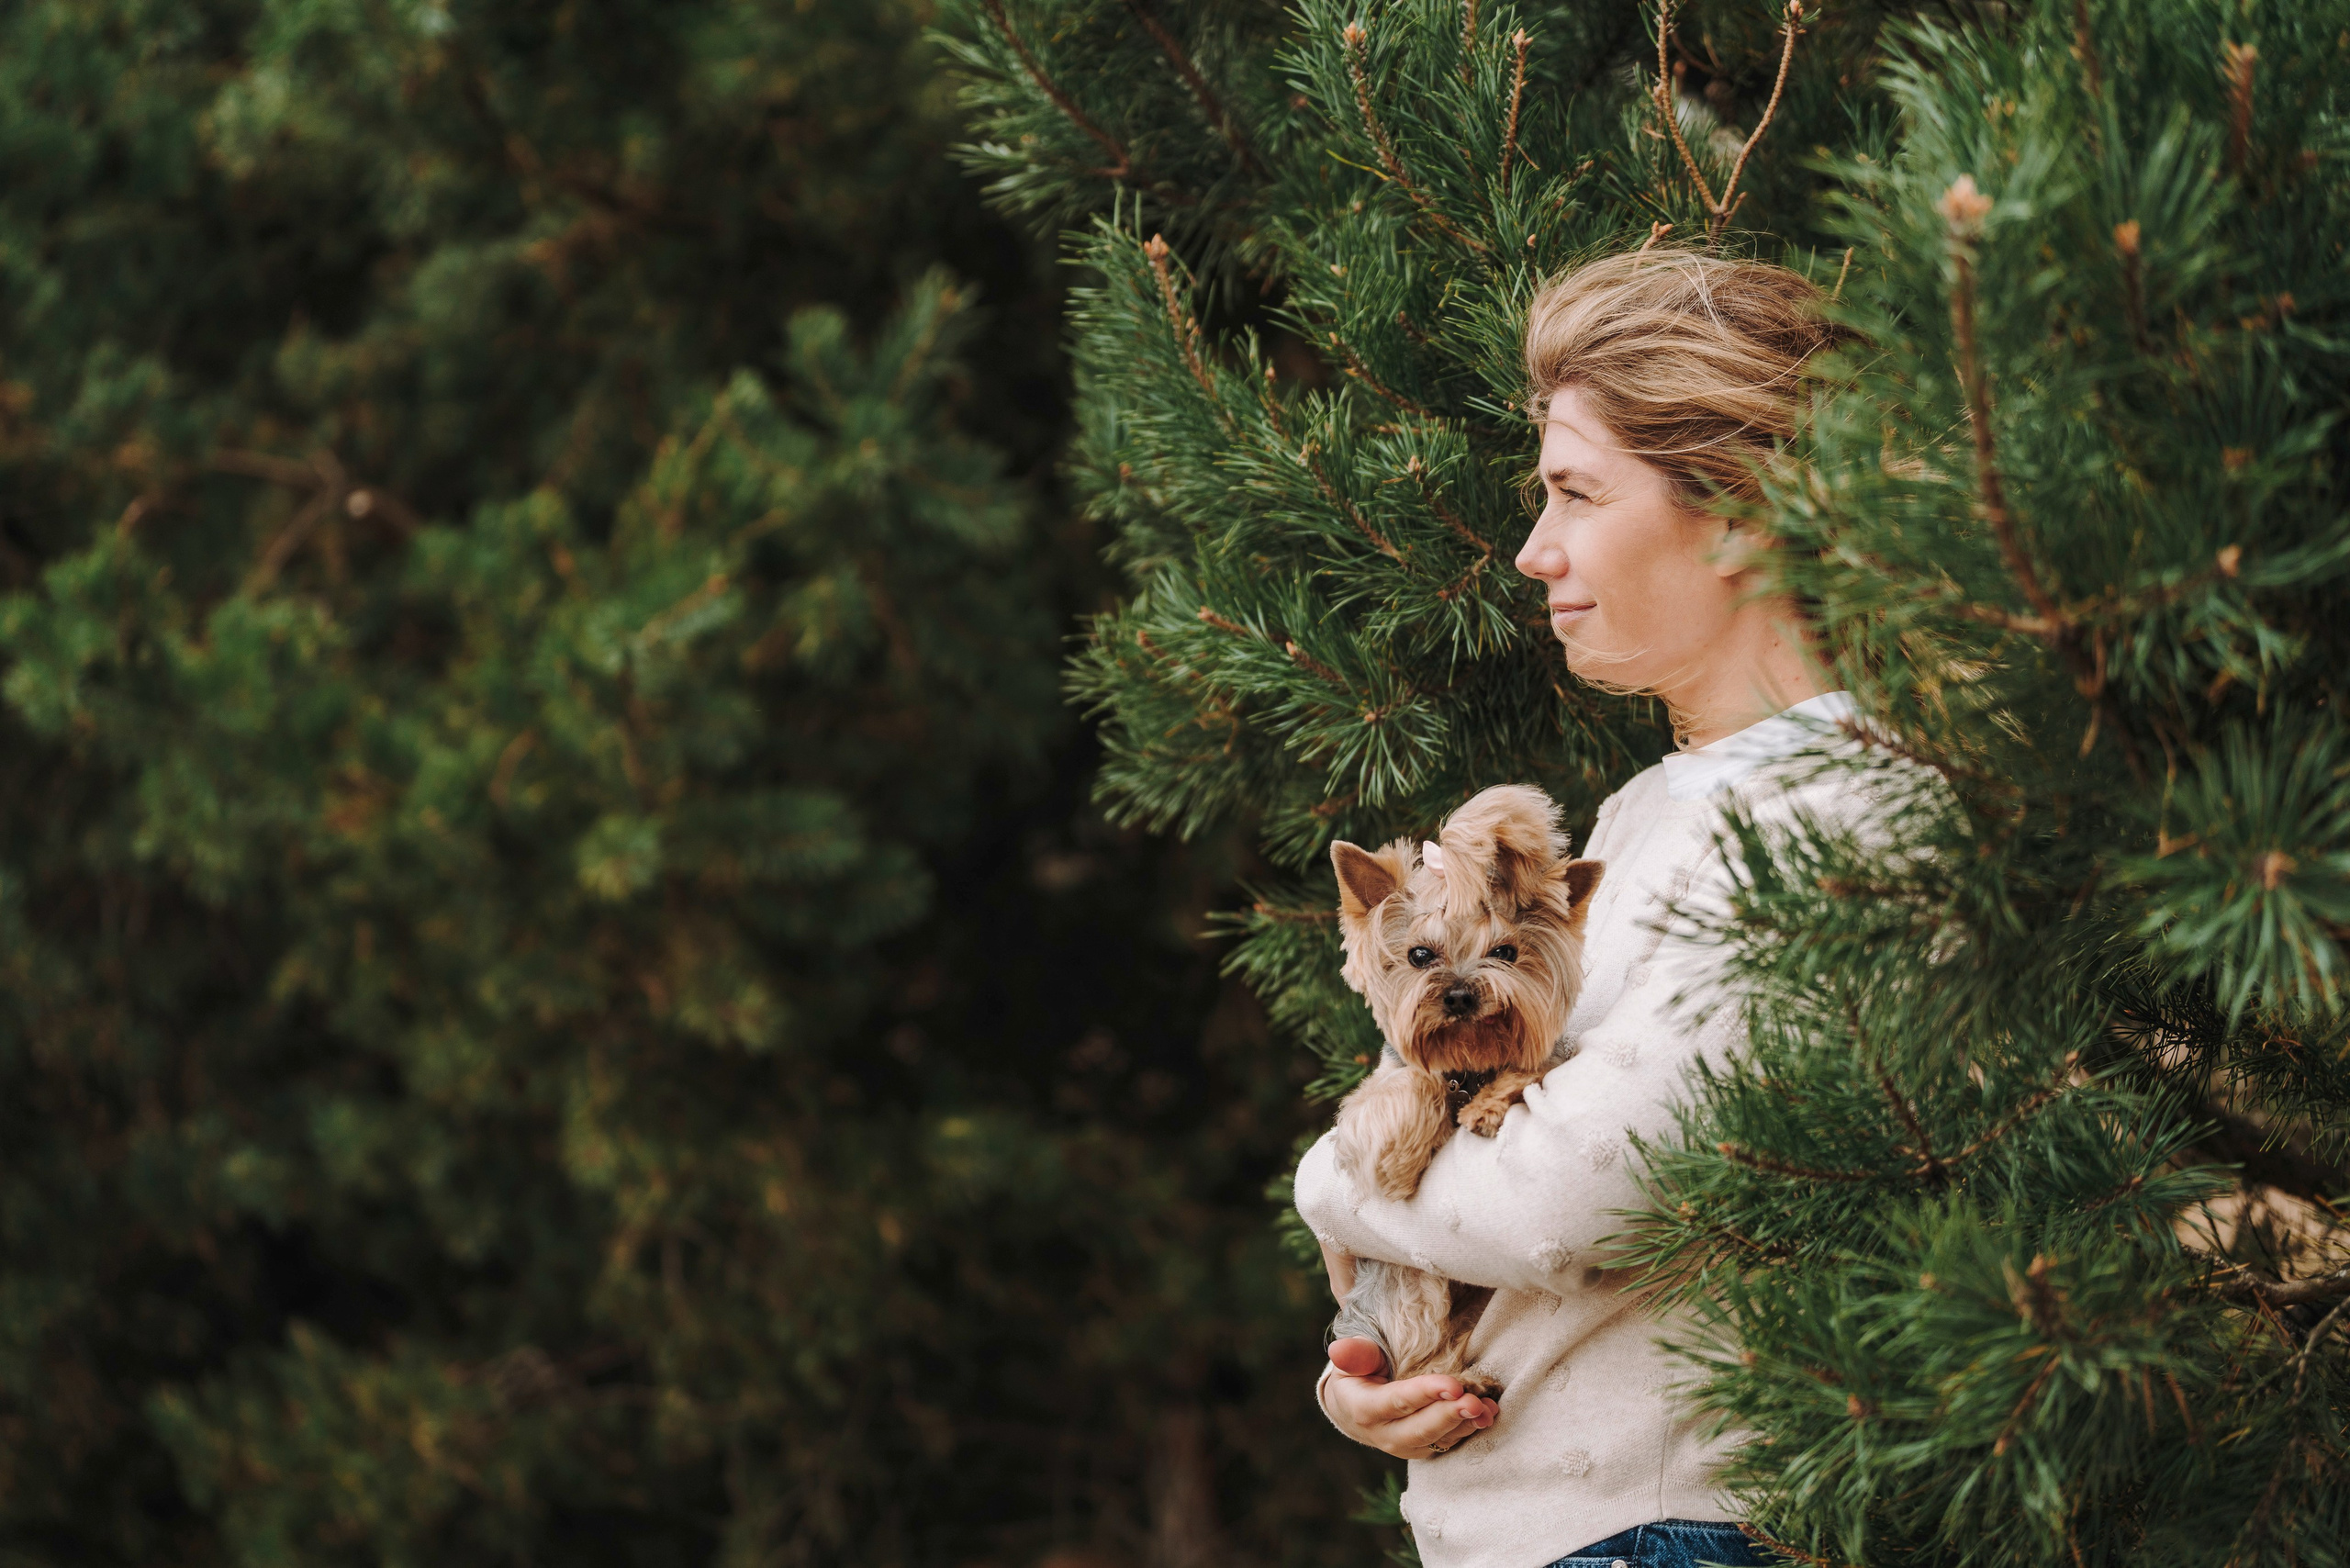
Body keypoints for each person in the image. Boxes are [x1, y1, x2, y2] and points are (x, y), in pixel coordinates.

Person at [1292, 249, 1874, 1568]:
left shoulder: (1833, 817)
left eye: (1576, 492)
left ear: (1743, 513)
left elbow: (1568, 1194)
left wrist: (1328, 1181)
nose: (1531, 549)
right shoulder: (1650, 813)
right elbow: (1494, 1172)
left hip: (1667, 1529)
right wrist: (1370, 1365)